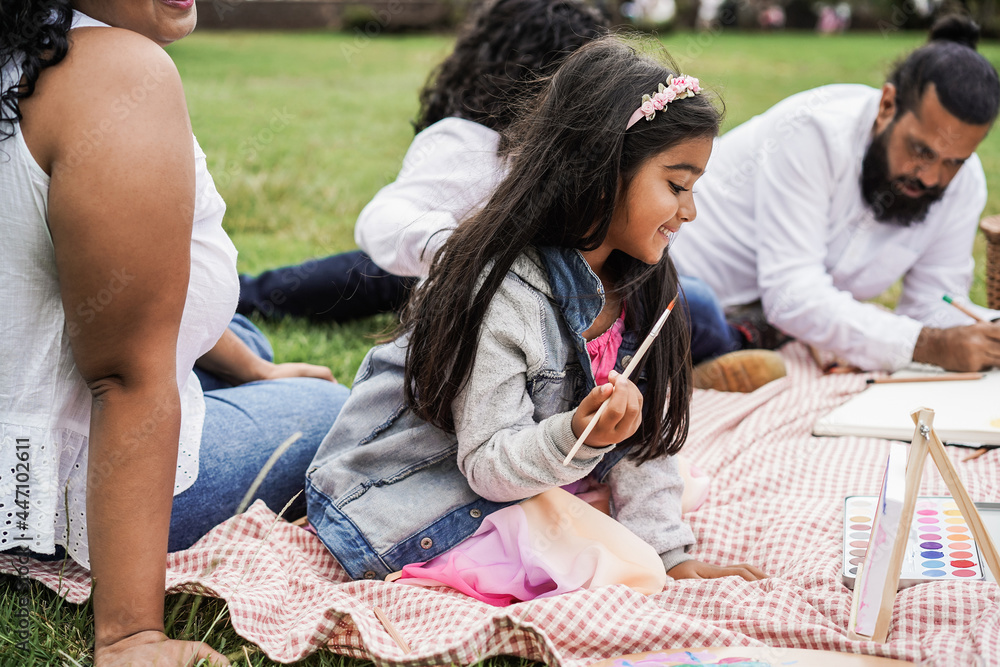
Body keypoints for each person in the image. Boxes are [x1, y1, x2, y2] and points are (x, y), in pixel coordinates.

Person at [306, 38, 767, 603]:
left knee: (660, 513)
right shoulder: (503, 293)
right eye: (676, 186)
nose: (689, 211)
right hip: (422, 494)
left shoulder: (639, 285)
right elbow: (488, 465)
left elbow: (640, 444)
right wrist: (579, 435)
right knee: (617, 567)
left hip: (536, 468)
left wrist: (672, 554)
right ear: (603, 172)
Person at [0, 2, 349, 665]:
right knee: (334, 410)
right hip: (41, 494)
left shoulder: (23, 49)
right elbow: (125, 371)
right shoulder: (117, 74)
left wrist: (255, 371)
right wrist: (132, 635)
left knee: (250, 340)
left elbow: (123, 298)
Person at [241, 0, 786, 392]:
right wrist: (469, 251)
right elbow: (384, 222)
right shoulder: (468, 145)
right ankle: (247, 294)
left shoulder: (602, 168)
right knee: (358, 276)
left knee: (689, 301)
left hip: (571, 292)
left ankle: (723, 345)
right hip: (459, 272)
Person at [669, 15, 1000, 373]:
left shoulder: (964, 185)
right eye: (921, 151)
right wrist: (927, 345)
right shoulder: (814, 132)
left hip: (771, 318)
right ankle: (730, 349)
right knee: (693, 308)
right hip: (676, 280)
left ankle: (738, 349)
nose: (932, 177)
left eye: (954, 161)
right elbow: (793, 294)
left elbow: (933, 304)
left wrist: (986, 334)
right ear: (888, 105)